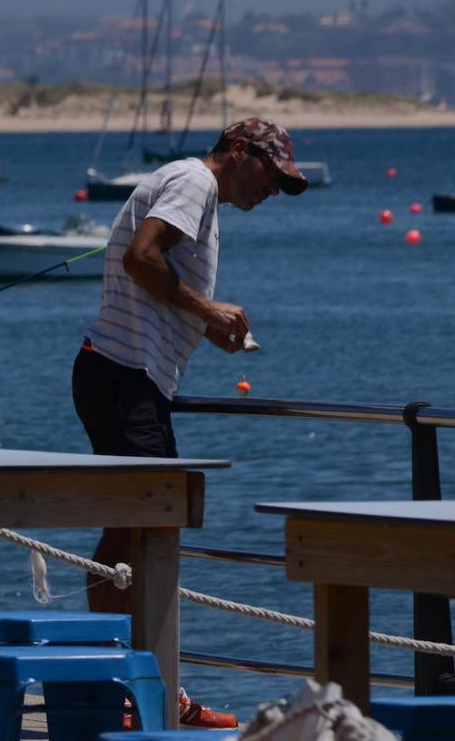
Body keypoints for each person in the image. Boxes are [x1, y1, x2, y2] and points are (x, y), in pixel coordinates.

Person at [71, 117, 307, 726]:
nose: (273, 190)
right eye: (272, 175)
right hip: (124, 376)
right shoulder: (193, 183)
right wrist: (207, 308)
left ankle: (132, 680)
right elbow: (140, 258)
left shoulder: (198, 193)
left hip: (125, 376)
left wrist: (205, 325)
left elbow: (150, 278)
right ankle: (135, 687)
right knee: (143, 537)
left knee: (134, 537)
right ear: (237, 151)